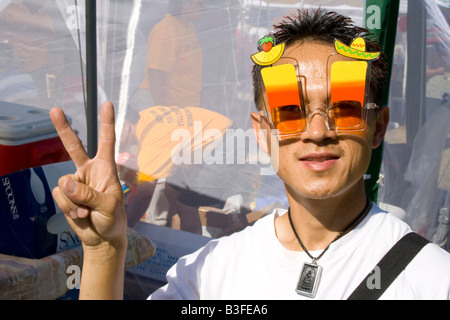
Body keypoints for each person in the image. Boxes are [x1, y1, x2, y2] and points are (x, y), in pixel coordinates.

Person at [50, 8, 450, 300]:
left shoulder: (432, 278)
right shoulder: (210, 273)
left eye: (343, 109)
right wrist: (104, 253)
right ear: (262, 132)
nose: (317, 131)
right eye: (290, 111)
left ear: (378, 126)